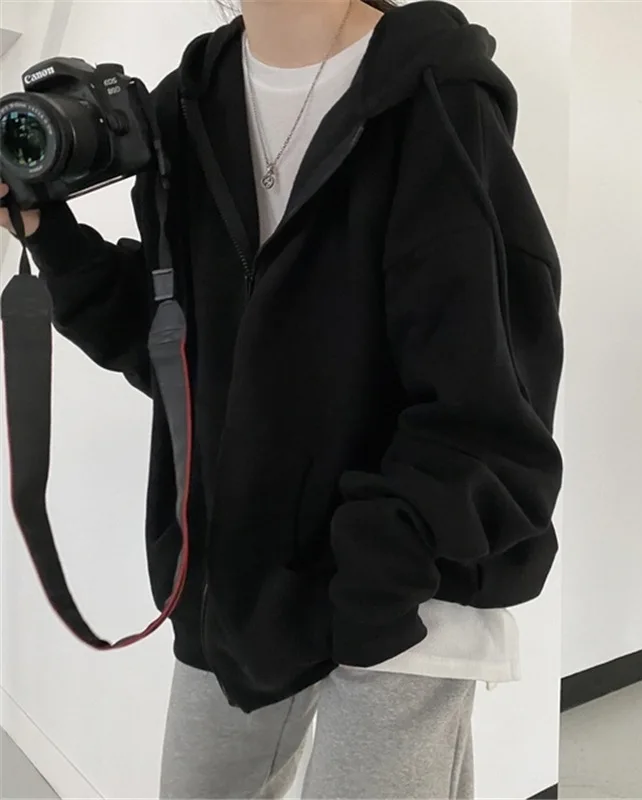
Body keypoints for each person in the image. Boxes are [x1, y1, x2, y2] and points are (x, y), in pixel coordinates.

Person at [0, 0, 563, 797]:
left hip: (407, 592)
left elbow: (492, 391)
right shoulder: (184, 108)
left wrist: (378, 574)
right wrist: (48, 235)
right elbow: (179, 351)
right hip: (241, 584)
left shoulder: (438, 97)